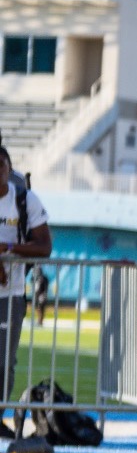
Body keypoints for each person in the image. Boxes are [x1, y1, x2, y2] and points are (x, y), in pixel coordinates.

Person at [0, 147, 52, 416]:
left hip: (12, 292)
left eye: (1, 165)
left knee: (4, 361)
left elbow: (44, 246)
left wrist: (8, 248)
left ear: (9, 169)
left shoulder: (25, 199)